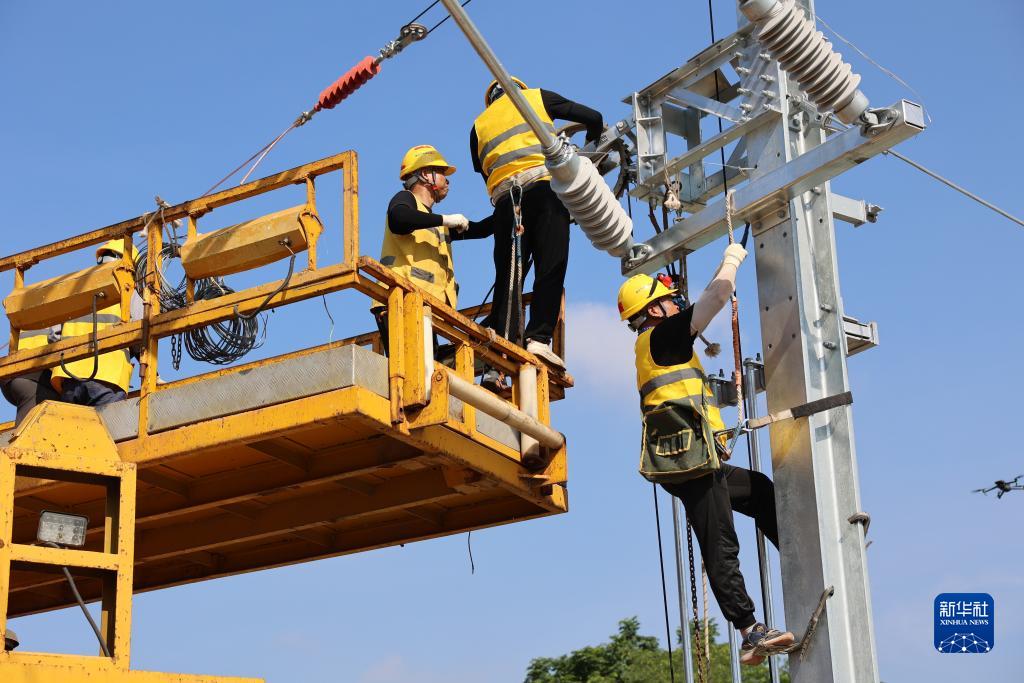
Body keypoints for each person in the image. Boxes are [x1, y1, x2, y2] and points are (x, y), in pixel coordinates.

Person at [617, 244, 795, 666]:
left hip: (693, 457)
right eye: (668, 300)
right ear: (654, 310)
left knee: (758, 490)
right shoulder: (663, 336)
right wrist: (732, 258)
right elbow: (716, 297)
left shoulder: (656, 344)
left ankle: (802, 552)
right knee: (720, 541)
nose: (675, 304)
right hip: (690, 461)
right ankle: (750, 632)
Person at [470, 77, 604, 370]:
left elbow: (486, 172)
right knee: (550, 264)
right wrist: (589, 160)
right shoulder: (537, 98)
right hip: (545, 190)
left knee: (509, 276)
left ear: (490, 101)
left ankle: (502, 349)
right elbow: (594, 118)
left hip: (506, 202)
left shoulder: (478, 127)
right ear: (519, 88)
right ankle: (538, 339)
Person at [374, 145, 493, 355]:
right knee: (414, 368)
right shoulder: (405, 199)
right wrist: (446, 219)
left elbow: (481, 230)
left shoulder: (436, 225)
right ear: (425, 174)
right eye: (441, 172)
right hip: (400, 300)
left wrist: (511, 212)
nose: (447, 180)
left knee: (428, 369)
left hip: (424, 306)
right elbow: (398, 218)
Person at [50, 240, 143, 407]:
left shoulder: (75, 288)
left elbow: (53, 337)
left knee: (72, 424)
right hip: (108, 376)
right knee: (107, 424)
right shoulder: (127, 288)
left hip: (69, 378)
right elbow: (140, 331)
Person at [1, 326, 60, 425]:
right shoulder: (58, 317)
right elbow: (57, 337)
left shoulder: (24, 317)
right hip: (37, 376)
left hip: (10, 373)